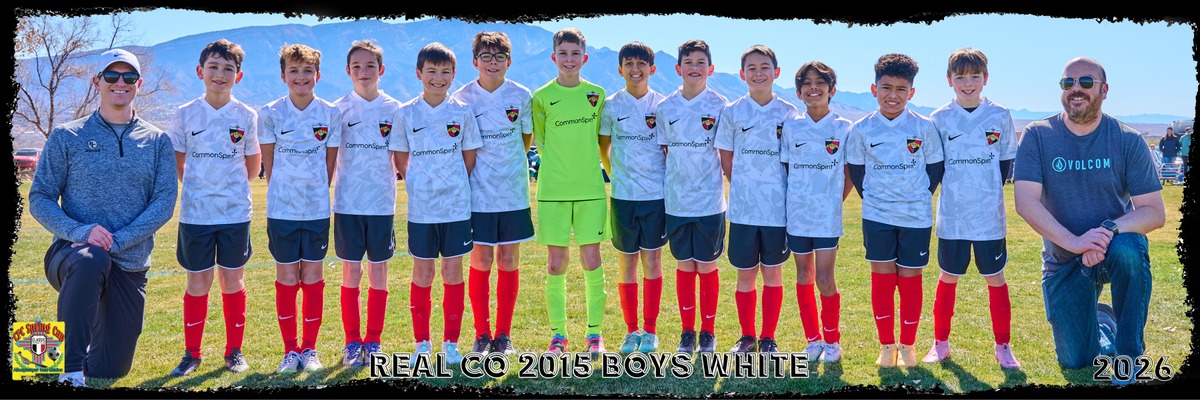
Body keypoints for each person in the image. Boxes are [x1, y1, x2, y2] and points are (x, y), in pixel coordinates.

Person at [30, 48, 177, 386]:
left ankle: (37, 347)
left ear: (139, 83)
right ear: (97, 82)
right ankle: (69, 371)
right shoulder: (67, 136)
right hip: (72, 254)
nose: (120, 82)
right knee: (92, 259)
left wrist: (117, 241)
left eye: (128, 76)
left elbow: (163, 203)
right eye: (111, 75)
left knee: (111, 369)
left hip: (129, 262)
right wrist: (79, 231)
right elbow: (40, 197)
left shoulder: (157, 141)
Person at [1013, 57, 1165, 383]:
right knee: (1076, 359)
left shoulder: (1128, 140)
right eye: (1067, 83)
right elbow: (1025, 202)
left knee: (1130, 247)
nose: (1076, 89)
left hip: (1111, 250)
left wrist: (1106, 232)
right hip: (1064, 259)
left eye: (1085, 82)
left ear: (1104, 90)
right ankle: (1105, 325)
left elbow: (1154, 212)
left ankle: (1128, 360)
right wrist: (1076, 243)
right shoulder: (1038, 135)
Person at [166, 39, 260, 376]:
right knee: (197, 284)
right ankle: (192, 353)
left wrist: (227, 188)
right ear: (200, 71)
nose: (220, 74)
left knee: (232, 281)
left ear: (238, 75)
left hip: (235, 214)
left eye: (228, 69)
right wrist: (201, 187)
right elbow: (178, 164)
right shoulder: (185, 114)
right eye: (214, 67)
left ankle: (234, 351)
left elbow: (253, 167)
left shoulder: (246, 116)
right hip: (196, 214)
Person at [924, 48, 1021, 368]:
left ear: (985, 78)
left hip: (988, 216)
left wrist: (987, 190)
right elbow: (935, 166)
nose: (968, 83)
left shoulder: (1000, 115)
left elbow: (1006, 162)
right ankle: (940, 343)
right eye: (961, 77)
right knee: (947, 276)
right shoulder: (939, 118)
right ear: (949, 80)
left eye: (974, 76)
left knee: (995, 277)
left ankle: (1003, 345)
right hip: (952, 215)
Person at [846, 53, 944, 368]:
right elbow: (857, 171)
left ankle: (908, 346)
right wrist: (876, 199)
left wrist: (916, 196)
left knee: (911, 278)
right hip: (877, 216)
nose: (893, 95)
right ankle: (887, 347)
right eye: (886, 87)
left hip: (915, 217)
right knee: (883, 280)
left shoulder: (924, 127)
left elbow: (935, 168)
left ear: (911, 92)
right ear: (874, 89)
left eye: (901, 89)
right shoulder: (862, 129)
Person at [391, 42, 483, 365]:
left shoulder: (462, 112)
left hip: (456, 207)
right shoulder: (405, 113)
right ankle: (422, 343)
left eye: (445, 72)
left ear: (454, 75)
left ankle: (451, 344)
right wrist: (419, 182)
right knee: (423, 272)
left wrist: (451, 182)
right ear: (419, 73)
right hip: (422, 209)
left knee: (452, 272)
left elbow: (469, 158)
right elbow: (401, 159)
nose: (438, 78)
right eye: (431, 71)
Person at [258, 43, 342, 373]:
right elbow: (269, 164)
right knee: (287, 276)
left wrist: (315, 191)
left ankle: (310, 349)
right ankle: (289, 350)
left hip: (317, 210)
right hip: (282, 211)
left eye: (307, 71)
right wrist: (285, 192)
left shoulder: (330, 113)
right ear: (283, 76)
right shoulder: (270, 113)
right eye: (293, 71)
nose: (301, 76)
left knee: (313, 276)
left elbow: (330, 165)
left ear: (317, 75)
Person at [450, 31, 534, 356]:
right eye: (486, 56)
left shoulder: (521, 95)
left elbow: (525, 139)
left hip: (512, 192)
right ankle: (482, 334)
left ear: (509, 62)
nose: (493, 62)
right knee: (482, 260)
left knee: (509, 260)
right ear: (475, 62)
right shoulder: (462, 98)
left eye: (499, 57)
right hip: (477, 194)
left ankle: (504, 335)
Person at [531, 28, 611, 357]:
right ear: (554, 57)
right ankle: (558, 337)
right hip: (553, 191)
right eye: (563, 53)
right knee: (555, 264)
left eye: (575, 53)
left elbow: (601, 140)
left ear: (584, 57)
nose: (569, 59)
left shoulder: (597, 94)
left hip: (591, 190)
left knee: (592, 260)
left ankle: (594, 335)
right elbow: (541, 142)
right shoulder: (541, 97)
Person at [716, 45, 798, 354]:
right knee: (746, 274)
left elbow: (791, 161)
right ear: (742, 74)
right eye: (752, 68)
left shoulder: (788, 113)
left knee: (773, 273)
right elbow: (726, 156)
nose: (758, 73)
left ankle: (768, 338)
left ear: (776, 72)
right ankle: (747, 336)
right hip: (743, 210)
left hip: (776, 210)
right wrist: (741, 185)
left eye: (764, 67)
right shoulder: (732, 112)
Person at [655, 39, 728, 354]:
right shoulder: (665, 107)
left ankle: (708, 333)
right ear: (678, 68)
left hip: (710, 201)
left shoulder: (721, 106)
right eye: (689, 62)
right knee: (685, 265)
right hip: (677, 202)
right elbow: (664, 151)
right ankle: (687, 333)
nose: (694, 68)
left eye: (701, 62)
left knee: (707, 266)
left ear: (710, 68)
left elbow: (725, 152)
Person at [332, 39, 402, 367]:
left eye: (370, 66)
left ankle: (373, 339)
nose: (364, 72)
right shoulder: (337, 110)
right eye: (357, 66)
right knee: (351, 270)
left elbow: (402, 157)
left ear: (381, 70)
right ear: (348, 71)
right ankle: (351, 341)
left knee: (378, 270)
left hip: (381, 204)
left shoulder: (395, 109)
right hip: (347, 203)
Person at [781, 61, 854, 362]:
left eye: (820, 83)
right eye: (807, 84)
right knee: (803, 275)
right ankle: (812, 340)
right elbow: (787, 168)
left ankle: (832, 341)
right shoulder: (791, 127)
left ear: (831, 90)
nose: (814, 88)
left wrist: (833, 202)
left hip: (826, 218)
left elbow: (849, 173)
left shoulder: (844, 128)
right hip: (797, 216)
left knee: (824, 277)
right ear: (799, 92)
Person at [600, 41, 667, 354]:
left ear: (651, 69)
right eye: (629, 64)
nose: (635, 69)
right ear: (620, 69)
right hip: (623, 197)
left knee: (652, 261)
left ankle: (650, 331)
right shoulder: (611, 105)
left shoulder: (662, 106)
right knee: (626, 263)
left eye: (641, 64)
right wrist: (615, 175)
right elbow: (603, 146)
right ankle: (631, 331)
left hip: (655, 196)